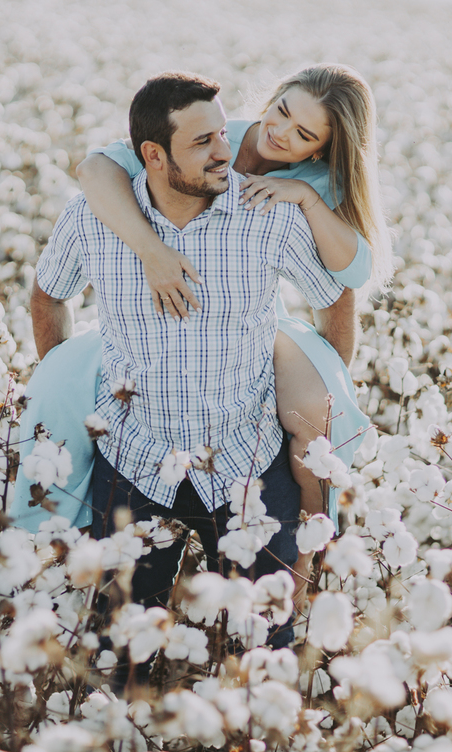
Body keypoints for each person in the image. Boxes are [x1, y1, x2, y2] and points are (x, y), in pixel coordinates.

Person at [29, 72, 354, 651]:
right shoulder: (92, 219)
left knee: (264, 645)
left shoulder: (269, 214)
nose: (226, 152)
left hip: (247, 458)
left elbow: (337, 295)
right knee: (119, 650)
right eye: (203, 142)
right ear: (152, 156)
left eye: (223, 135)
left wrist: (323, 375)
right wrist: (64, 380)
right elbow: (48, 295)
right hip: (134, 456)